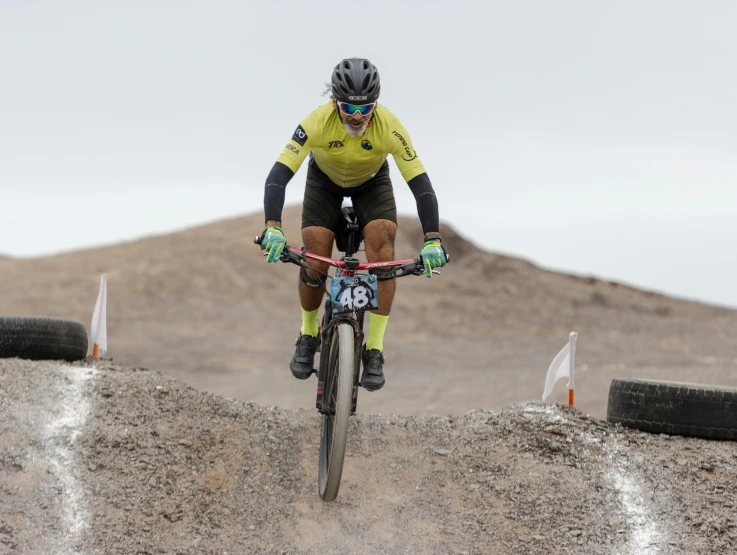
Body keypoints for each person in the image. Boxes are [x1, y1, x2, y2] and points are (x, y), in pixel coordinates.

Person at [260, 57, 447, 392]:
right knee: (315, 255)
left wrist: (432, 238)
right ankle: (308, 332)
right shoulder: (317, 122)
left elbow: (421, 185)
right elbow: (277, 177)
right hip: (324, 183)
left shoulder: (389, 126)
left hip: (371, 184)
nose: (358, 117)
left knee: (382, 247)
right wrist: (273, 225)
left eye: (366, 108)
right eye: (349, 107)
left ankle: (373, 347)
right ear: (335, 102)